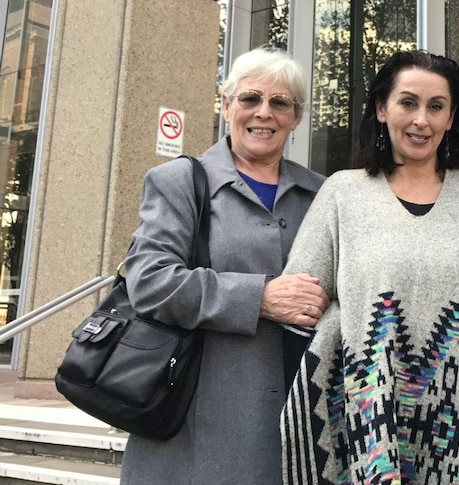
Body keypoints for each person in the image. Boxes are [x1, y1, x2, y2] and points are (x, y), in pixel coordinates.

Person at [279, 50, 459, 484]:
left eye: (436, 107)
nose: (421, 120)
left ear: (452, 117)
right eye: (408, 103)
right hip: (372, 426)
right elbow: (299, 302)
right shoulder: (343, 194)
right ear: (382, 109)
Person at [120, 46, 329, 484]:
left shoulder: (323, 194)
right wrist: (260, 298)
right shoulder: (179, 181)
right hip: (195, 427)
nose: (264, 113)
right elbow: (151, 282)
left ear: (295, 117)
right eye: (251, 98)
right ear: (226, 104)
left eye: (280, 103)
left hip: (301, 423)